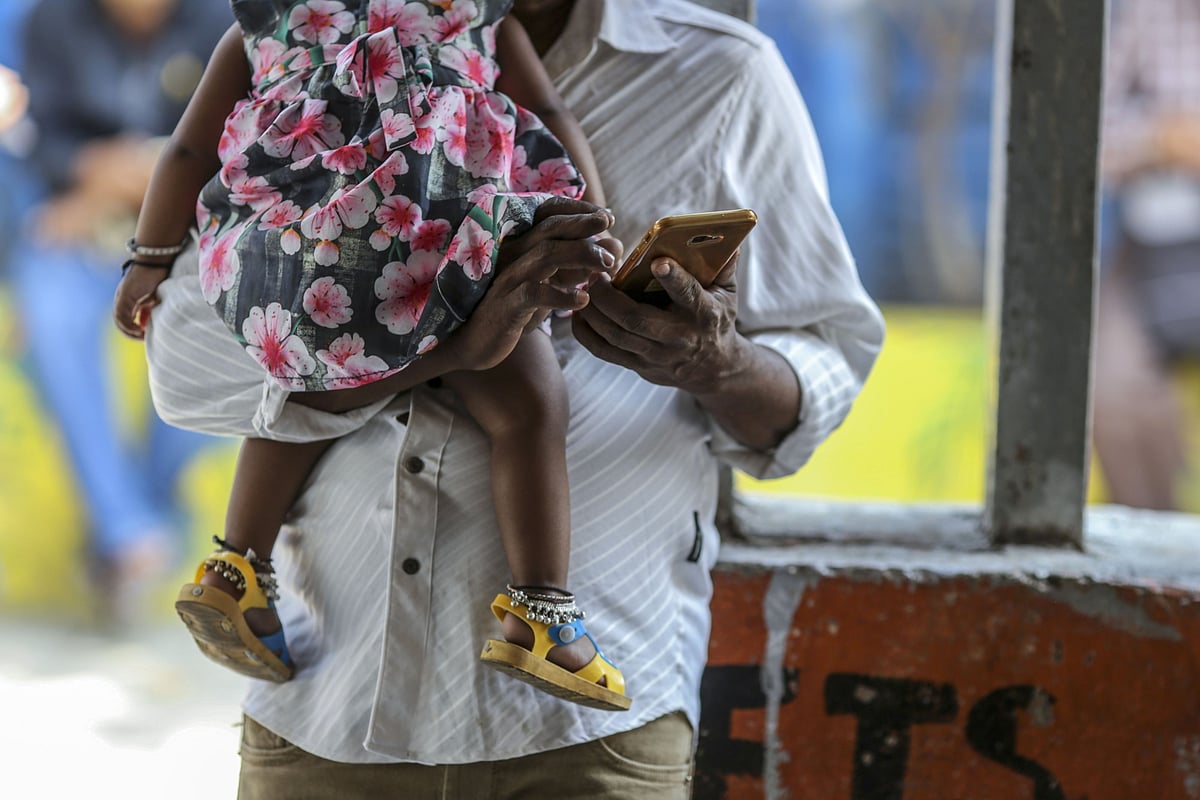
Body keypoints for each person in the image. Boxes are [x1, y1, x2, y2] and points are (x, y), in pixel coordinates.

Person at [140, 0, 884, 795]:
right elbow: (186, 363)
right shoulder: (300, 41)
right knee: (512, 399)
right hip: (324, 713)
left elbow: (827, 356)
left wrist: (717, 362)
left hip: (585, 745)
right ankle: (528, 610)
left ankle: (239, 569)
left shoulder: (722, 77)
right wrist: (456, 346)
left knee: (411, 383)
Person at [113, 0, 628, 710]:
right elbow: (553, 117)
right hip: (451, 246)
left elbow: (186, 151)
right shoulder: (475, 15)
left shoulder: (270, 20)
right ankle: (540, 611)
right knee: (529, 407)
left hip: (306, 258)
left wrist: (149, 258)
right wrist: (595, 229)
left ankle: (234, 567)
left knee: (295, 390)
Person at [14, 0, 227, 622]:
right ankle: (132, 532)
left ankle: (132, 528)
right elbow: (38, 137)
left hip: (194, 233)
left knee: (229, 330)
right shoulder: (50, 20)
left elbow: (243, 146)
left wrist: (145, 172)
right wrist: (91, 175)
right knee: (46, 311)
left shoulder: (226, 21)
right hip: (80, 225)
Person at [1094, 0, 1200, 511]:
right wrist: (1161, 140)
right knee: (1109, 388)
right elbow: (1083, 131)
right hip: (1157, 246)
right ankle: (1156, 553)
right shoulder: (1146, 10)